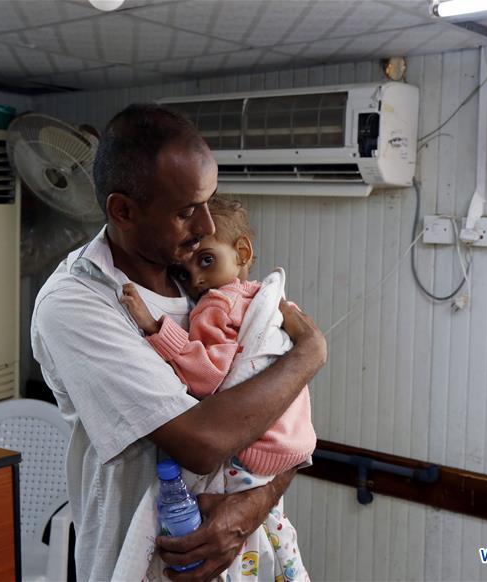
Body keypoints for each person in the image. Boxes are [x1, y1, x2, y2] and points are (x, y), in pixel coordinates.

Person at [31, 103, 326, 581]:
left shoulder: (206, 277)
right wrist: (310, 354)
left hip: (237, 560)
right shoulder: (77, 303)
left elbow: (285, 424)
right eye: (187, 211)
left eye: (209, 202)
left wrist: (255, 502)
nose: (207, 226)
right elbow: (202, 443)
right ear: (123, 211)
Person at [117, 195, 316, 581]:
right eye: (185, 271)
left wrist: (155, 328)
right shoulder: (265, 298)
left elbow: (207, 375)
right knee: (275, 533)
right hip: (291, 442)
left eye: (206, 260)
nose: (197, 279)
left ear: (242, 252)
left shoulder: (215, 305)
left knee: (232, 548)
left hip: (253, 449)